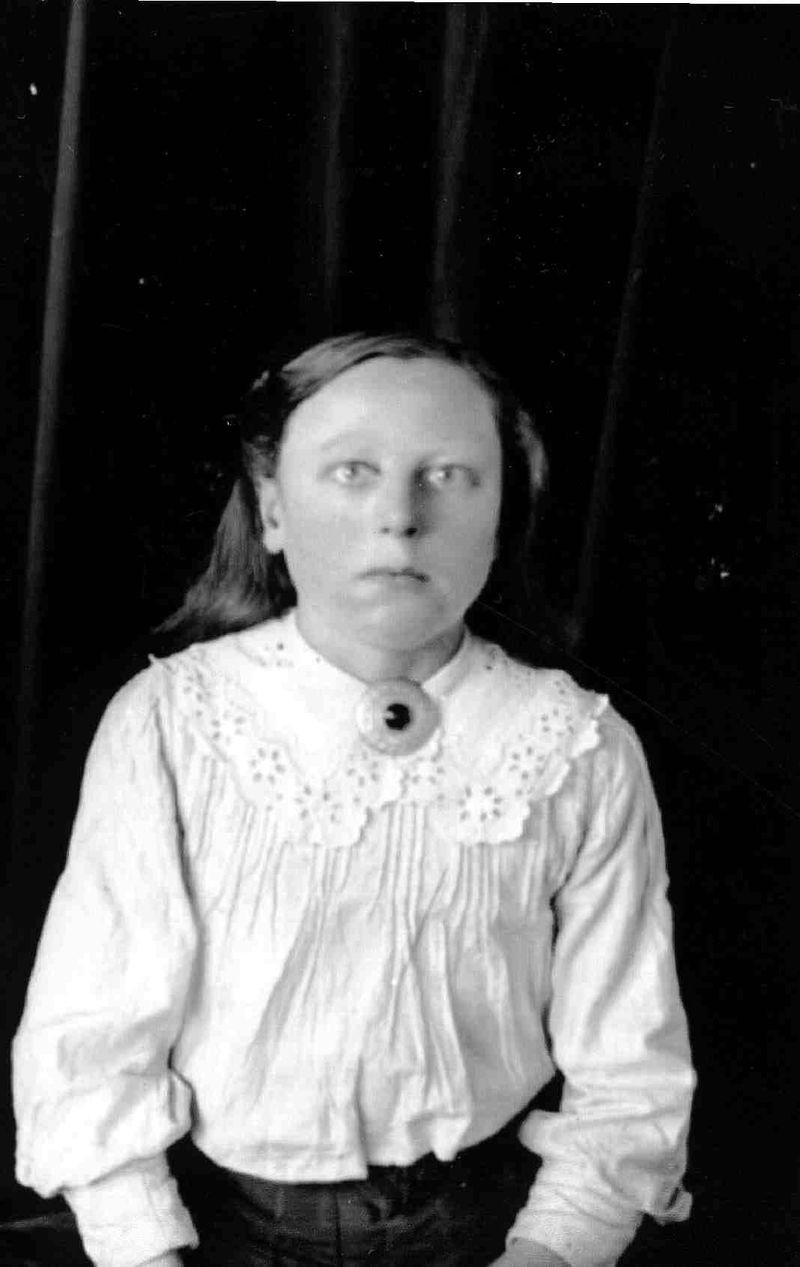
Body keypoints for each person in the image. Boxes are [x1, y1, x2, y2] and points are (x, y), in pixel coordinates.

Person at [12, 332, 695, 1267]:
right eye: (351, 472)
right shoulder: (175, 720)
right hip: (214, 1229)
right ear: (273, 510)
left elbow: (632, 1061)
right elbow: (89, 1031)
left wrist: (551, 1247)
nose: (400, 518)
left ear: (503, 514)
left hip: (492, 1226)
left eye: (449, 476)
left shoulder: (581, 746)